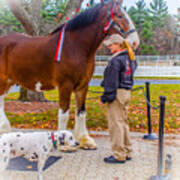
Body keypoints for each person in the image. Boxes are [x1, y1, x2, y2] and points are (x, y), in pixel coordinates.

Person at [101, 34, 138, 164]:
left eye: (111, 44)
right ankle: (127, 150)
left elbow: (112, 81)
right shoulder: (130, 58)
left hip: (116, 93)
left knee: (115, 124)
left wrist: (106, 96)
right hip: (126, 92)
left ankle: (118, 154)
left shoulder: (116, 60)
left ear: (118, 44)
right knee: (123, 123)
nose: (109, 47)